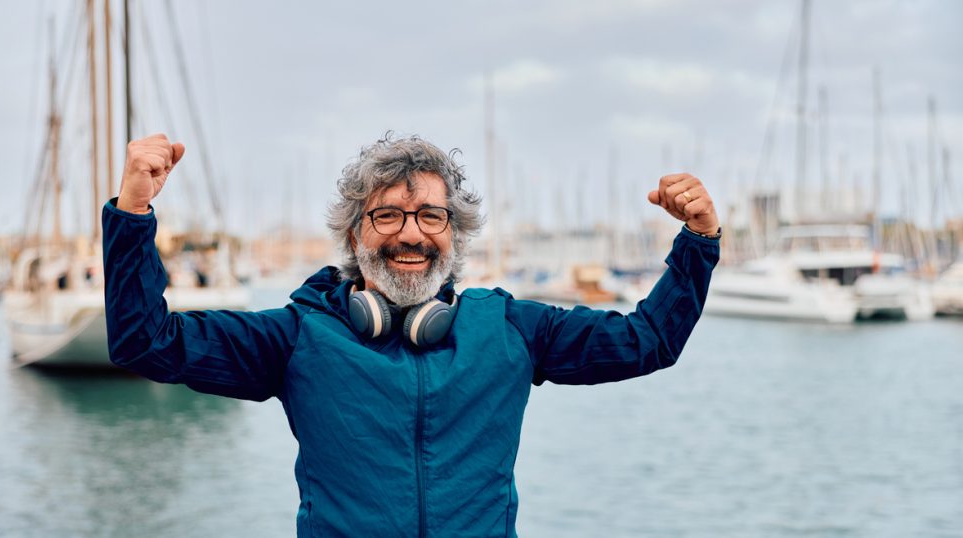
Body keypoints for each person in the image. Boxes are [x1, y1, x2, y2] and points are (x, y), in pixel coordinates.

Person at [103, 132, 721, 537]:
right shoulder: (297, 339)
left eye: (431, 215)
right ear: (354, 236)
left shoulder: (510, 329)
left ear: (454, 235)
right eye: (387, 215)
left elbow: (647, 341)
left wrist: (697, 242)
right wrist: (133, 215)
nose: (411, 233)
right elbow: (145, 342)